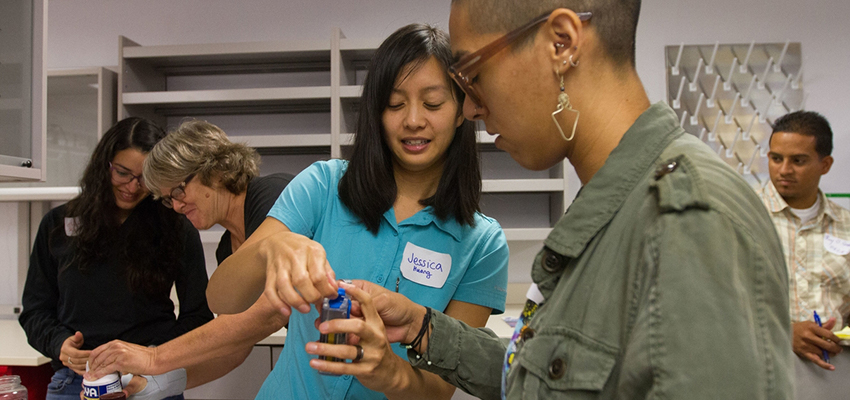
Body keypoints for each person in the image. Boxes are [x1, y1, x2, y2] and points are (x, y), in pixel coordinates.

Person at [306, 0, 797, 398]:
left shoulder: (691, 218)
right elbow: (550, 373)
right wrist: (421, 327)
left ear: (561, 43)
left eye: (474, 73)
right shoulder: (614, 206)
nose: (472, 107)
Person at [205, 23, 509, 400]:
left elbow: (437, 390)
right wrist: (270, 248)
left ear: (462, 110)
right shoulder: (323, 187)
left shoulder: (483, 243)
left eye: (432, 103)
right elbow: (221, 299)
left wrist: (390, 373)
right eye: (395, 104)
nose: (413, 120)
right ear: (376, 112)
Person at [84, 120, 294, 397]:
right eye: (169, 199)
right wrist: (153, 384)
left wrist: (154, 358)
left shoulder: (272, 195)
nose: (177, 206)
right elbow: (233, 347)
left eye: (179, 191)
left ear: (215, 171)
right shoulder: (227, 249)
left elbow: (273, 309)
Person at [18, 117, 213, 400]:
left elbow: (198, 317)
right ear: (105, 165)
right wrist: (60, 344)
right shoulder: (57, 224)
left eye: (145, 178)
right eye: (122, 173)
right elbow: (35, 312)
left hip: (152, 382)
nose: (132, 187)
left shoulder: (177, 227)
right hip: (75, 384)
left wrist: (152, 357)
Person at [756, 111, 847, 371]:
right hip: (761, 369)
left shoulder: (846, 226)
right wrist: (783, 332)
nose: (784, 170)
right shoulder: (740, 216)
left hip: (836, 373)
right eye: (776, 158)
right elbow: (716, 302)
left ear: (825, 165)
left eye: (798, 160)